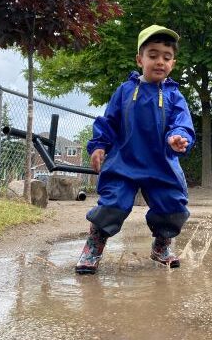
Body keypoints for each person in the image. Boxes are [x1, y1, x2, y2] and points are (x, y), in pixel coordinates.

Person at [75, 24, 195, 274]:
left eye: (166, 56)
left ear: (173, 63)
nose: (160, 61)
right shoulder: (126, 90)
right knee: (112, 204)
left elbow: (182, 123)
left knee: (172, 206)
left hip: (161, 164)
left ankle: (161, 246)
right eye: (153, 55)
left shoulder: (175, 96)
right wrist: (99, 145)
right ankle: (93, 246)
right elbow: (109, 121)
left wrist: (178, 137)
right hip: (124, 162)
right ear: (140, 59)